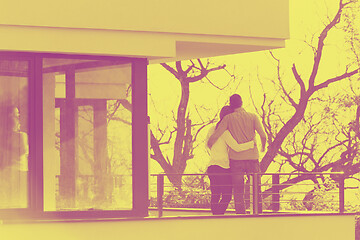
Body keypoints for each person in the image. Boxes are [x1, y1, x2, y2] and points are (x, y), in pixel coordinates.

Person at [207, 94, 266, 214]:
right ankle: (258, 213)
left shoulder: (225, 121)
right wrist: (261, 147)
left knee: (237, 191)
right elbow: (263, 136)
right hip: (251, 158)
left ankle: (240, 215)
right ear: (242, 102)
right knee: (256, 188)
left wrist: (210, 144)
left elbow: (215, 137)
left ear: (231, 104)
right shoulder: (253, 116)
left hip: (234, 161)